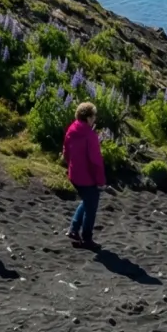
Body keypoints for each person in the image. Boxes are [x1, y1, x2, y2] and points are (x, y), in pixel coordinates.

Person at [63, 100, 105, 246]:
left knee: (87, 200)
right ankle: (87, 238)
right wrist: (100, 181)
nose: (95, 119)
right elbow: (96, 161)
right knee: (91, 205)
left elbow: (66, 151)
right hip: (87, 178)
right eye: (93, 117)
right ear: (88, 118)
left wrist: (70, 166)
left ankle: (74, 229)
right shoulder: (90, 135)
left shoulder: (71, 129)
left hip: (74, 174)